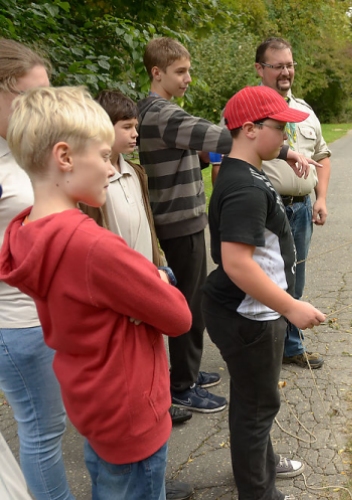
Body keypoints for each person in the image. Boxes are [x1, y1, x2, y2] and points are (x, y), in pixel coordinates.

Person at [0, 85, 193, 499]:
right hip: (132, 419)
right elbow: (178, 317)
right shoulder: (92, 248)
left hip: (95, 407)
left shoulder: (26, 233)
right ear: (65, 157)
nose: (111, 169)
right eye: (104, 156)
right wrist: (154, 281)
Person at [138, 37, 315, 413]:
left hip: (184, 217)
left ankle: (188, 370)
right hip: (177, 220)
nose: (188, 78)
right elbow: (221, 137)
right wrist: (283, 149)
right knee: (187, 302)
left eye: (188, 70)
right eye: (180, 71)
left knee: (192, 296)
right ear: (157, 73)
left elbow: (200, 152)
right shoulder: (161, 114)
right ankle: (183, 384)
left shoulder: (163, 112)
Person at [202, 85, 325, 500]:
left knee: (255, 400)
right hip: (250, 315)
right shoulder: (245, 187)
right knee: (257, 407)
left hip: (256, 309)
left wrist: (286, 152)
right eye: (281, 131)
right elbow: (236, 263)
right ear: (251, 129)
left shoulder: (245, 168)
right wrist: (292, 308)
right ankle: (258, 492)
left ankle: (261, 467)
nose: (287, 140)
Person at [80, 89, 193, 500]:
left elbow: (148, 226)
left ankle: (153, 472)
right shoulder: (93, 185)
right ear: (100, 130)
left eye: (135, 126)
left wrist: (160, 264)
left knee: (154, 371)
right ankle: (140, 473)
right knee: (130, 389)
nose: (135, 133)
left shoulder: (137, 172)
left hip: (151, 283)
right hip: (123, 299)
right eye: (126, 126)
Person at [0, 38, 74, 500]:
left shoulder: (18, 149)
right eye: (29, 98)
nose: (40, 110)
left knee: (52, 426)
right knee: (43, 432)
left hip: (44, 312)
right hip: (18, 321)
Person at [255, 37, 332, 370]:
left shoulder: (305, 110)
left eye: (290, 65)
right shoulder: (250, 106)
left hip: (301, 209)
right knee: (263, 277)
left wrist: (322, 198)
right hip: (266, 207)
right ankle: (259, 347)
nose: (285, 72)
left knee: (295, 277)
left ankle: (290, 345)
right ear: (260, 69)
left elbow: (323, 157)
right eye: (278, 66)